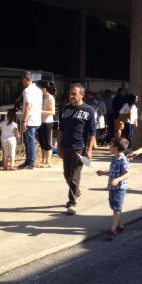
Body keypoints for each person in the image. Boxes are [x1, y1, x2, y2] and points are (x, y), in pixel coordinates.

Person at [57, 83, 96, 215]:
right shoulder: (65, 109)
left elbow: (92, 132)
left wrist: (89, 150)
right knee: (67, 175)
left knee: (74, 176)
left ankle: (72, 203)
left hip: (80, 148)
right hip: (66, 146)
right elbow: (61, 129)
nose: (71, 96)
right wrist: (59, 146)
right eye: (70, 93)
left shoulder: (88, 110)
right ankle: (77, 192)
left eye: (74, 94)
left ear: (82, 95)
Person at [97, 138, 131, 241]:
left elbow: (128, 173)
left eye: (111, 146)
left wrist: (118, 180)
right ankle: (121, 227)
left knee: (116, 208)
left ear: (116, 148)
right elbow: (112, 172)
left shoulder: (123, 160)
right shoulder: (114, 158)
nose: (109, 147)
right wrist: (103, 173)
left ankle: (113, 230)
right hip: (112, 187)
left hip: (120, 188)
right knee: (115, 207)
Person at [18, 72, 43, 169]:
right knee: (29, 141)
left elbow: (29, 105)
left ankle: (30, 162)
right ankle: (28, 161)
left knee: (29, 141)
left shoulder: (27, 90)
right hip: (36, 118)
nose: (22, 82)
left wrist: (24, 120)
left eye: (22, 80)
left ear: (25, 79)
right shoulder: (38, 90)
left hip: (29, 119)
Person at [37, 81, 56, 168]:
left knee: (47, 142)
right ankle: (43, 160)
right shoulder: (43, 97)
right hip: (41, 121)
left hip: (48, 122)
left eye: (40, 88)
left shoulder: (50, 98)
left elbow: (52, 112)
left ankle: (48, 162)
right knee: (42, 141)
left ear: (44, 88)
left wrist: (41, 111)